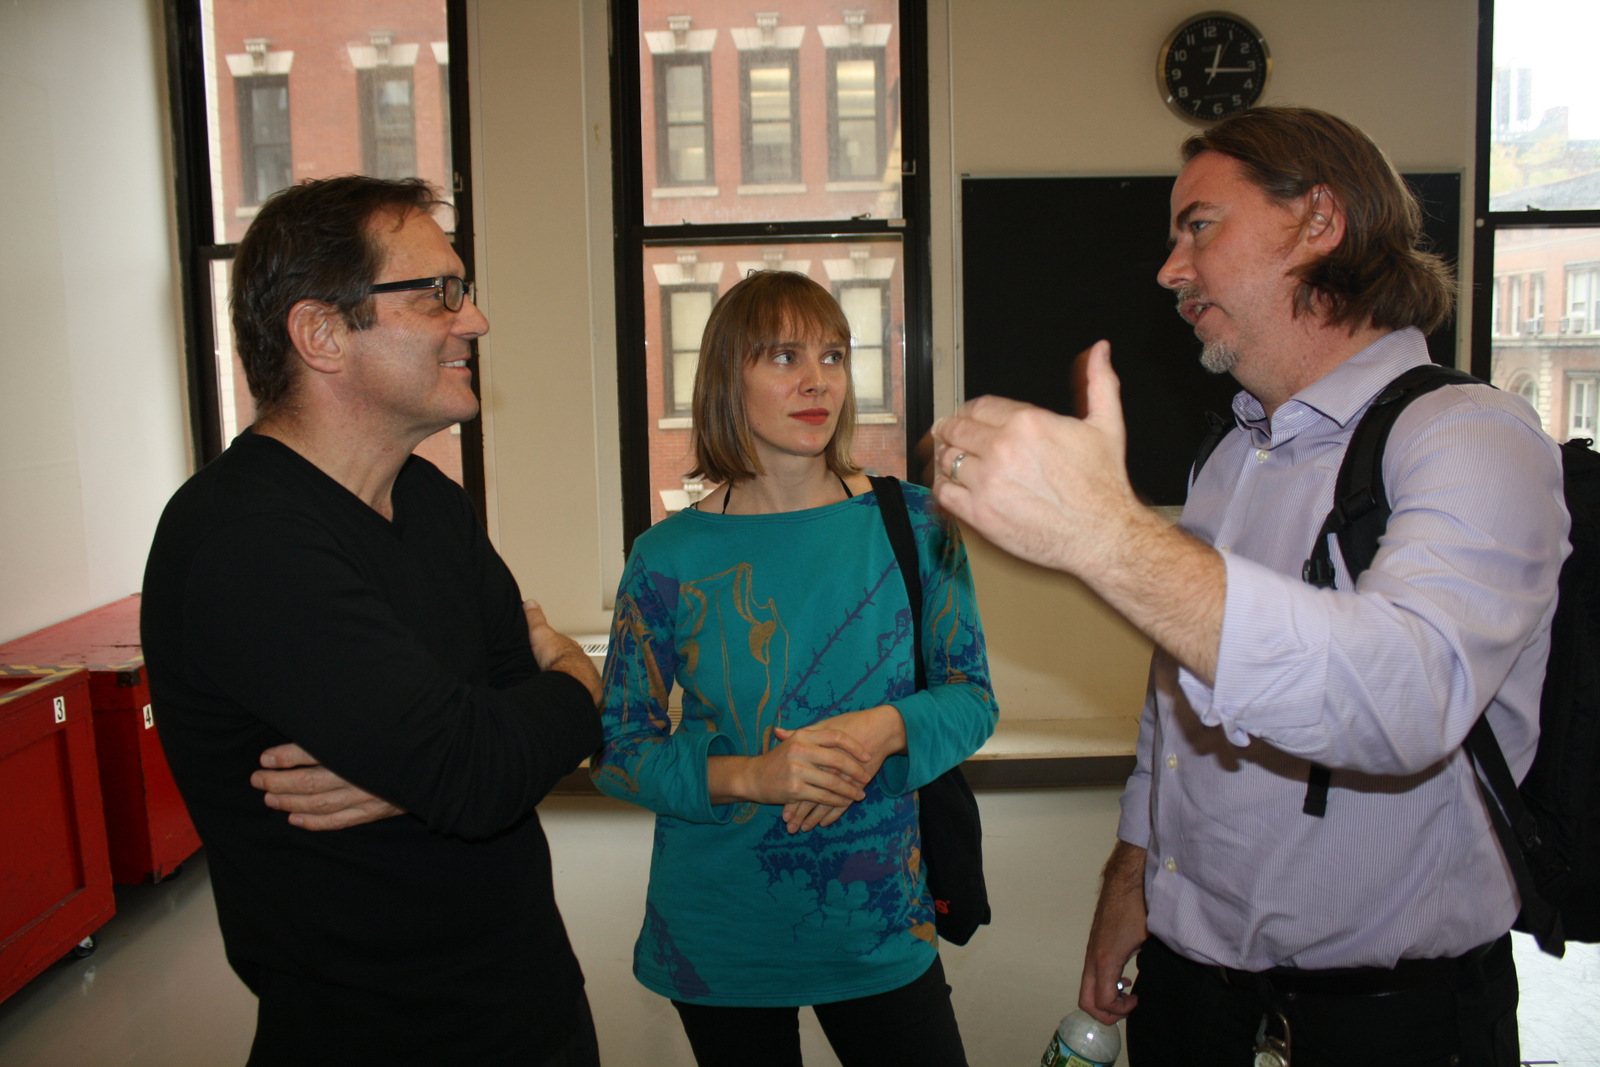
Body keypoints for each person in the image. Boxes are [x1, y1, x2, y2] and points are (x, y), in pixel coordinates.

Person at [928, 108, 1570, 1065]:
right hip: (1196, 990)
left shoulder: (1472, 436)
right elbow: (1175, 701)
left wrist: (1109, 537)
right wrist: (1131, 876)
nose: (1170, 269)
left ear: (1318, 220)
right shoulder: (1233, 452)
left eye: (1199, 225)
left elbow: (1404, 698)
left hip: (1388, 1018)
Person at [141, 175, 604, 1067]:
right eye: (437, 294)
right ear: (320, 333)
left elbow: (488, 740)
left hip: (528, 1006)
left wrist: (440, 761)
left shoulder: (425, 495)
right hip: (375, 1035)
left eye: (460, 290)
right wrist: (578, 683)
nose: (473, 321)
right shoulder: (245, 544)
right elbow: (478, 765)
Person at [589, 271, 997, 1067]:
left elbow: (972, 698)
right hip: (722, 927)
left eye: (835, 355)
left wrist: (884, 728)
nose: (818, 380)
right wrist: (756, 777)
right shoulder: (666, 558)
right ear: (724, 379)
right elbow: (618, 751)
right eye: (782, 356)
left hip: (879, 916)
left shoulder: (918, 523)